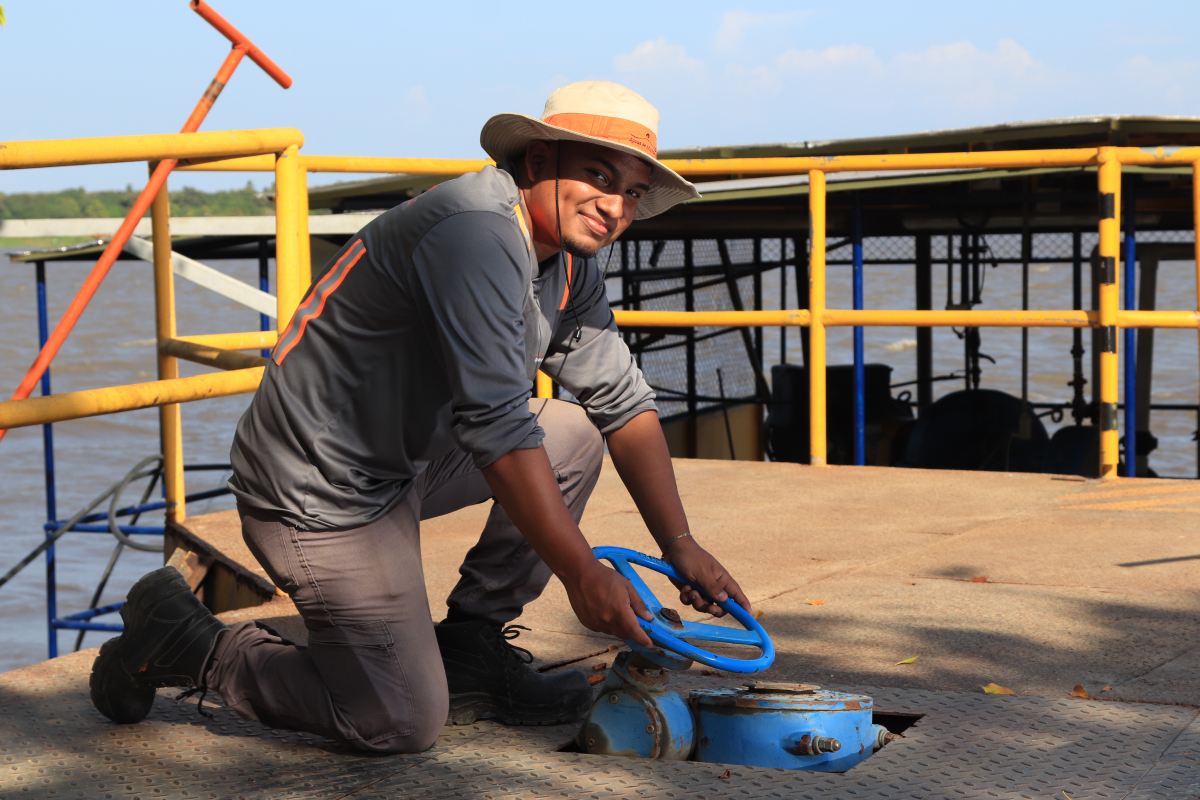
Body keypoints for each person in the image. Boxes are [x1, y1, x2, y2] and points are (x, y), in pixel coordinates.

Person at [90, 81, 752, 754]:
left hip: (403, 460)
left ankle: (470, 646)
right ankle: (192, 643)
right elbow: (498, 429)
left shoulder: (568, 265)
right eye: (599, 176)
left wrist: (680, 545)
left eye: (633, 191)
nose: (614, 206)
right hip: (320, 492)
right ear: (537, 161)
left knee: (573, 435)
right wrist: (582, 574)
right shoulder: (477, 234)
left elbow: (623, 402)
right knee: (398, 719)